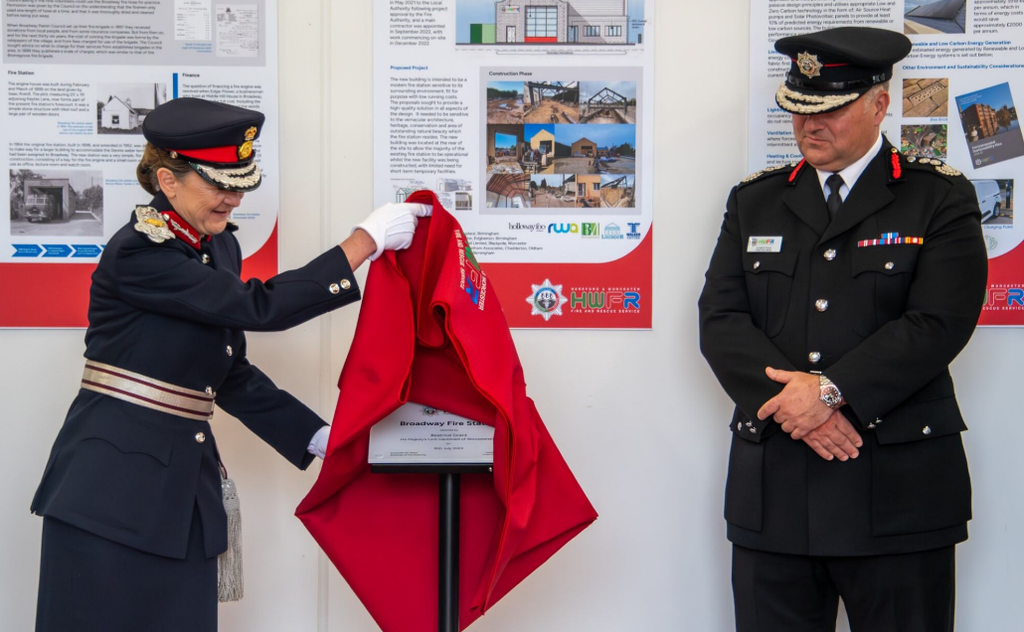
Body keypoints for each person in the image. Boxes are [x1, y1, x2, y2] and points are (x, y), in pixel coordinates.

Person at [30, 97, 431, 632]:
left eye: (240, 183)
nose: (233, 198)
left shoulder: (216, 249)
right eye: (219, 183)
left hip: (179, 494)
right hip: (111, 496)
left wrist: (318, 437)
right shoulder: (140, 252)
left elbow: (228, 372)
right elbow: (257, 308)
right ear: (168, 182)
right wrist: (363, 244)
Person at [698, 27, 987, 632]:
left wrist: (827, 391)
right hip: (775, 490)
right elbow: (721, 320)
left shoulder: (939, 197)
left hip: (897, 495)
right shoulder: (755, 201)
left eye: (830, 109)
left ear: (880, 103)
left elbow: (939, 322)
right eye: (800, 111)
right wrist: (796, 404)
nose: (811, 127)